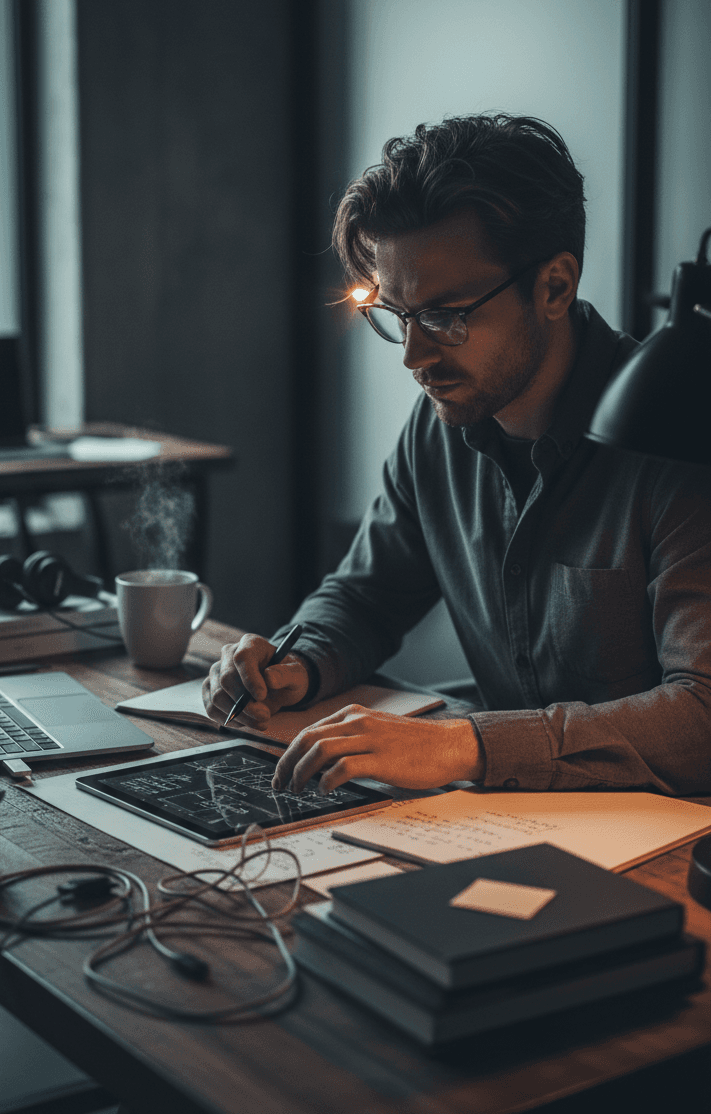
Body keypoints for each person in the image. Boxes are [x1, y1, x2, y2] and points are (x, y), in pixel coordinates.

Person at [204, 114, 711, 797]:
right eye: (398, 314)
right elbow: (367, 596)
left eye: (446, 315)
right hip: (501, 818)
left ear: (555, 287)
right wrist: (301, 661)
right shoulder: (439, 427)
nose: (414, 357)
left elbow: (703, 714)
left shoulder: (674, 445)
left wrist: (464, 745)